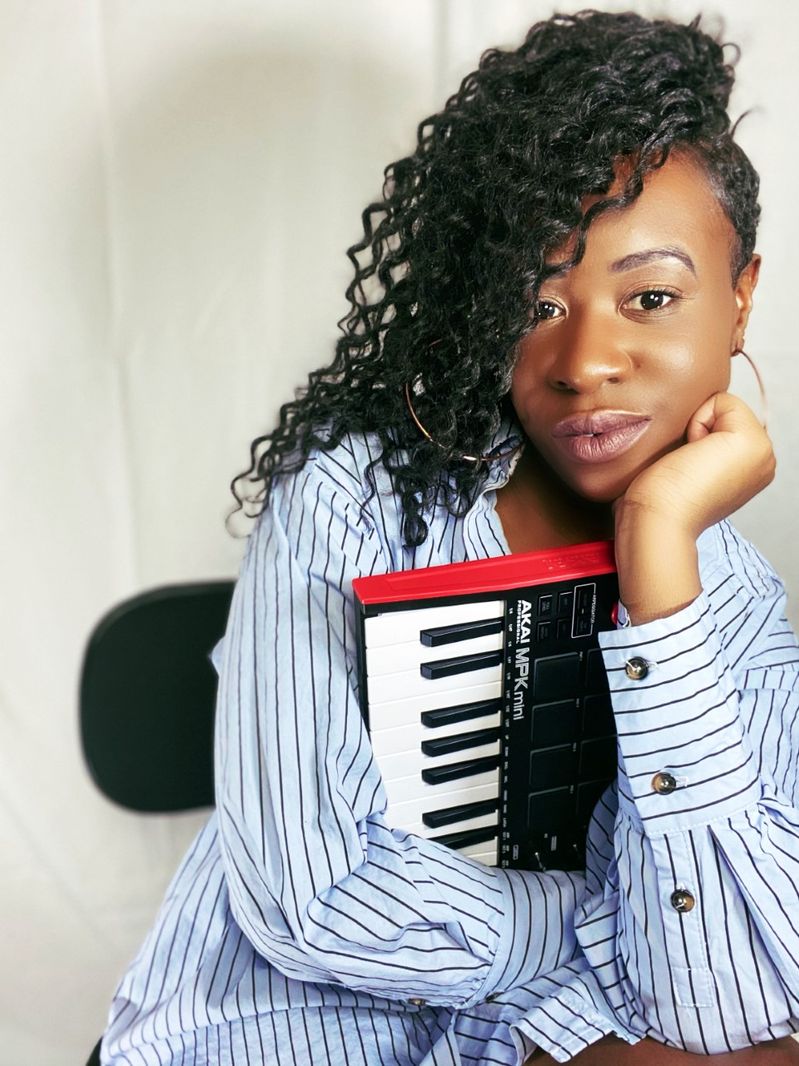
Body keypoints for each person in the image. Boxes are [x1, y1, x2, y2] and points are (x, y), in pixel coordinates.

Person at [100, 10, 799, 1065]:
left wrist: (659, 554)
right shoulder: (354, 493)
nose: (584, 362)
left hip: (526, 1031)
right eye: (538, 304)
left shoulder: (730, 604)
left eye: (650, 297)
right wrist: (614, 923)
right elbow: (313, 898)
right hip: (280, 1032)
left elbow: (726, 998)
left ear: (740, 301)